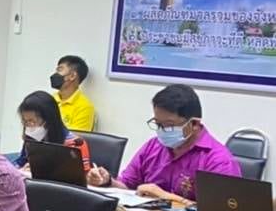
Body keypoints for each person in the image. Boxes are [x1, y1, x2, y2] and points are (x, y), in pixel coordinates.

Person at [88, 83, 241, 200]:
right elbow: (127, 185)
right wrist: (107, 182)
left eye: (169, 125)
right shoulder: (153, 146)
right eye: (158, 124)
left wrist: (166, 197)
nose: (162, 131)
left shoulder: (218, 161)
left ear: (194, 124)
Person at [12, 90, 89, 173]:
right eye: (25, 121)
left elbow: (83, 177)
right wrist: (20, 170)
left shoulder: (75, 144)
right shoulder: (31, 139)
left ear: (49, 120)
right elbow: (20, 162)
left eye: (32, 121)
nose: (28, 126)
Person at [51, 54, 96, 132]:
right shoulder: (50, 99)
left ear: (72, 76)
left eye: (60, 70)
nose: (55, 74)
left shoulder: (84, 107)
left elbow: (75, 138)